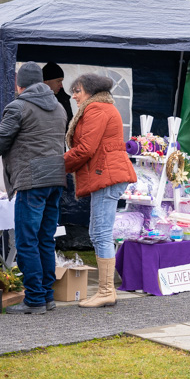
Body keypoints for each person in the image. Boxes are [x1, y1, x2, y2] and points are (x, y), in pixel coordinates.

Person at [0, 62, 67, 315]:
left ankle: (34, 299)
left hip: (32, 181)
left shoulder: (18, 106)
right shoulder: (59, 107)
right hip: (56, 179)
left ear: (19, 85)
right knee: (45, 239)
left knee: (27, 241)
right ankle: (47, 296)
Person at [64, 73, 136, 308]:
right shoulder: (103, 107)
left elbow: (85, 148)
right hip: (107, 174)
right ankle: (106, 290)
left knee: (101, 234)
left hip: (107, 175)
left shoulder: (97, 109)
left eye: (78, 90)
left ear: (90, 91)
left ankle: (106, 291)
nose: (74, 95)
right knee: (97, 233)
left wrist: (56, 165)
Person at [42, 62, 74, 128]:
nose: (61, 85)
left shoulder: (64, 100)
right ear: (45, 81)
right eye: (58, 81)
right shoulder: (35, 99)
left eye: (61, 81)